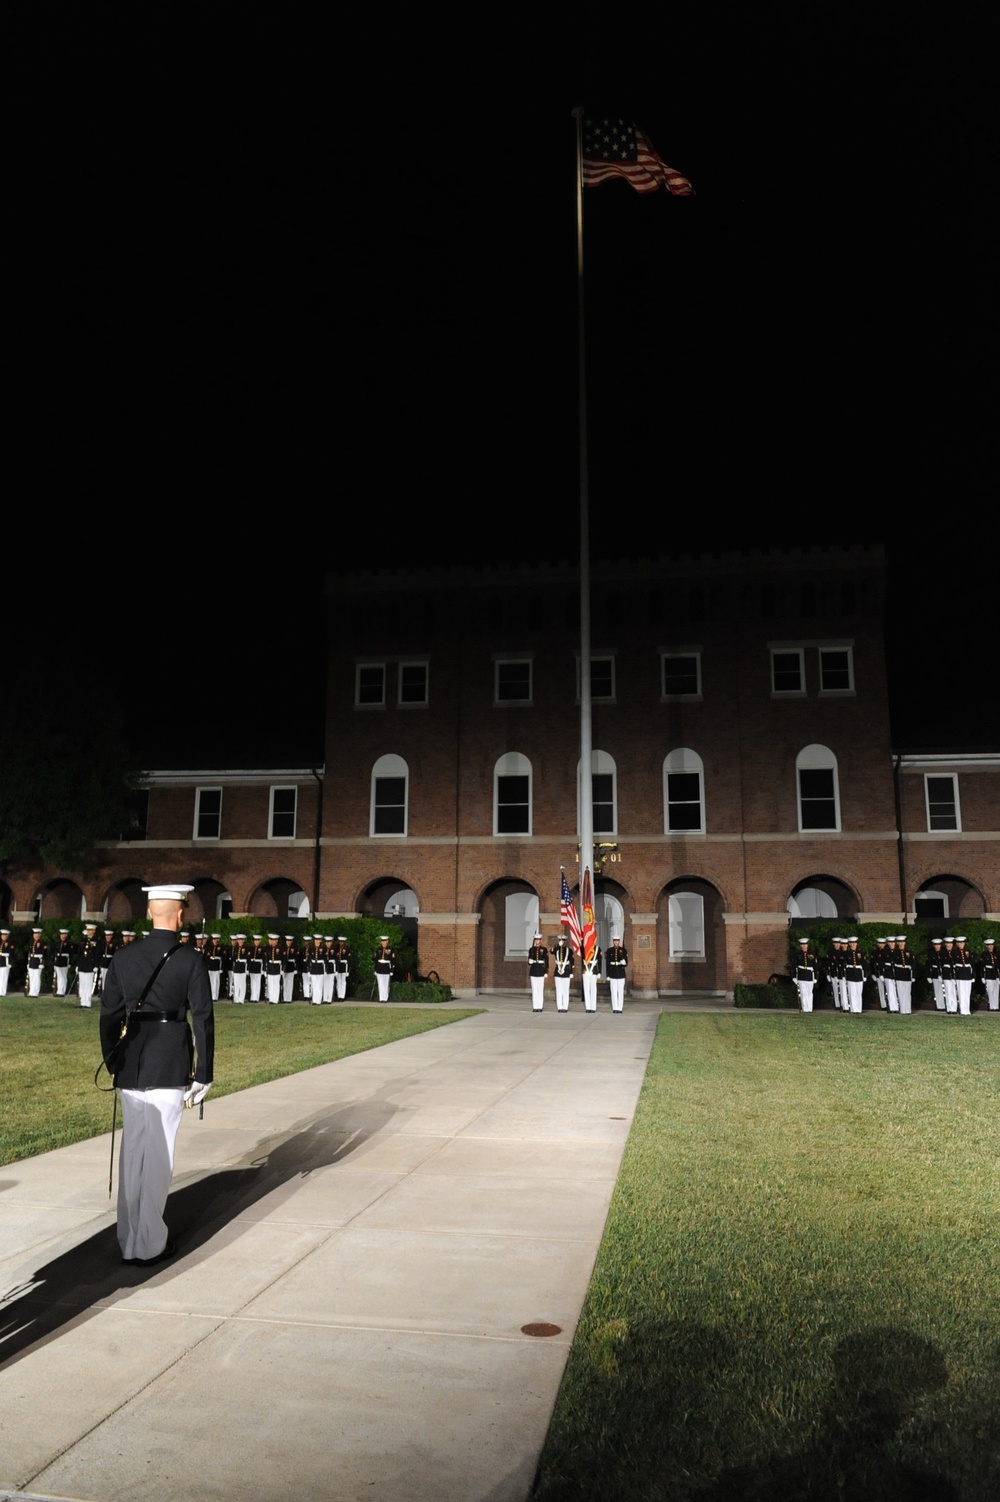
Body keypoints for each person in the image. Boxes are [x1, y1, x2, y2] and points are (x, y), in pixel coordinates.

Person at [99, 883, 213, 1266]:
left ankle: (129, 1238)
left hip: (131, 1061)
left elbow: (110, 1016)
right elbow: (203, 1018)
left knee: (134, 1152)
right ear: (180, 914)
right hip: (169, 1061)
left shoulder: (124, 956)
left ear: (149, 912)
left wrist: (113, 1058)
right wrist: (204, 1073)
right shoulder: (190, 959)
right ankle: (148, 1244)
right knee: (159, 1154)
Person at [77, 921, 101, 1008]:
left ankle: (87, 1002)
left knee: (88, 984)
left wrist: (96, 965)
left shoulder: (97, 941)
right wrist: (77, 965)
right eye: (87, 930)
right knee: (82, 983)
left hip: (90, 965)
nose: (88, 932)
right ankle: (82, 1001)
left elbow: (98, 954)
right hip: (82, 965)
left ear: (94, 931)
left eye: (90, 930)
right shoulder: (83, 940)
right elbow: (79, 953)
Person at [551, 930, 574, 1012]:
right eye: (560, 940)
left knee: (565, 990)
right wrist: (557, 945)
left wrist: (571, 972)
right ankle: (559, 1007)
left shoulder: (569, 950)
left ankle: (565, 1007)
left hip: (566, 971)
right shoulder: (556, 949)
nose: (562, 942)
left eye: (563, 940)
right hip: (558, 971)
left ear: (565, 941)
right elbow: (551, 951)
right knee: (559, 990)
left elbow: (572, 961)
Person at [793, 937, 817, 1013]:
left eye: (805, 945)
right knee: (803, 992)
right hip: (801, 975)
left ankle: (810, 1008)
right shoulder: (797, 955)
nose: (804, 946)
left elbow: (815, 967)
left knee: (810, 992)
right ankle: (805, 1008)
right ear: (800, 946)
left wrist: (815, 977)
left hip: (810, 975)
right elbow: (794, 966)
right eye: (802, 945)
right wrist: (793, 977)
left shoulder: (812, 954)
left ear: (807, 945)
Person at [527, 932, 548, 1012]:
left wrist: (546, 971)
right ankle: (535, 1006)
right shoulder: (531, 949)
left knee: (540, 989)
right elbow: (529, 961)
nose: (537, 941)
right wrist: (530, 961)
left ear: (541, 940)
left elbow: (546, 961)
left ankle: (540, 1006)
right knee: (534, 990)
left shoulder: (544, 949)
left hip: (541, 970)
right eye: (536, 940)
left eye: (538, 940)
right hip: (533, 971)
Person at [606, 935, 628, 1013]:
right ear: (613, 941)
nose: (616, 942)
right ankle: (615, 1008)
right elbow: (607, 964)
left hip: (620, 972)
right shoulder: (609, 950)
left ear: (619, 941)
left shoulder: (623, 950)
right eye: (614, 941)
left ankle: (620, 1008)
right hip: (612, 972)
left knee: (620, 991)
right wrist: (608, 975)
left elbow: (626, 963)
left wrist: (623, 962)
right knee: (613, 991)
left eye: (617, 941)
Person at [844, 937, 865, 1014]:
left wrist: (864, 975)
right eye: (851, 943)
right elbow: (844, 964)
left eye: (854, 943)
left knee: (858, 993)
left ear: (856, 944)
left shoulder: (860, 953)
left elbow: (864, 964)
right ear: (849, 944)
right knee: (852, 992)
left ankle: (859, 1009)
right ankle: (853, 1009)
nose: (853, 945)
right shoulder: (846, 953)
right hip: (850, 974)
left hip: (859, 974)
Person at [581, 943, 602, 1013]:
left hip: (594, 970)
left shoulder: (598, 949)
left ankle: (593, 1007)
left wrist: (599, 972)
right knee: (586, 989)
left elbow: (600, 961)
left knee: (593, 989)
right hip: (585, 970)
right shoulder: (583, 948)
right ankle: (588, 1007)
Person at [374, 935, 395, 1002]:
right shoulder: (378, 949)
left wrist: (392, 970)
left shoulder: (390, 949)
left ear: (387, 941)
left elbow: (393, 960)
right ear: (381, 942)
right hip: (379, 968)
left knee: (385, 984)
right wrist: (375, 969)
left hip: (386, 968)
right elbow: (376, 960)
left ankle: (385, 998)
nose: (384, 942)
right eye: (382, 941)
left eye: (385, 941)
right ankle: (381, 998)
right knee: (380, 984)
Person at [26, 928, 46, 996]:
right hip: (32, 961)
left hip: (38, 961)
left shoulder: (42, 942)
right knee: (31, 977)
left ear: (40, 934)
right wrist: (28, 962)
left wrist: (42, 963)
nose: (35, 935)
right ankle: (31, 991)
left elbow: (44, 953)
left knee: (36, 977)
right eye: (34, 934)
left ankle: (35, 992)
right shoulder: (31, 942)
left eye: (37, 934)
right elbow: (29, 953)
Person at [53, 928, 72, 996]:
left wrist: (69, 963)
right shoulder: (57, 942)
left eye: (64, 935)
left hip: (64, 960)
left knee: (63, 977)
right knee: (59, 977)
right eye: (62, 935)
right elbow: (55, 952)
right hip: (58, 960)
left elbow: (71, 954)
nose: (63, 936)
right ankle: (59, 991)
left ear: (66, 935)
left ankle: (62, 991)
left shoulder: (69, 943)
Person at [981, 938, 999, 1011]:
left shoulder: (997, 954)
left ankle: (996, 1006)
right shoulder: (984, 954)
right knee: (990, 991)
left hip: (996, 975)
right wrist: (982, 976)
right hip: (988, 974)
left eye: (991, 945)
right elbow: (982, 966)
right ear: (986, 946)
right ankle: (992, 1006)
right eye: (989, 945)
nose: (990, 947)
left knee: (996, 991)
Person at [264, 934, 282, 1004]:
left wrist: (282, 969)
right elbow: (266, 960)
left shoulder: (280, 948)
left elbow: (283, 959)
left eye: (274, 940)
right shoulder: (268, 949)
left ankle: (276, 999)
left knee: (276, 984)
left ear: (277, 941)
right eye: (272, 940)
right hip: (270, 968)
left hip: (277, 968)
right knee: (270, 984)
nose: (273, 942)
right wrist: (265, 970)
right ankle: (271, 999)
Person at [333, 935, 351, 1001]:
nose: (341, 943)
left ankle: (342, 996)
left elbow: (349, 960)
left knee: (343, 982)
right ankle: (339, 996)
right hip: (338, 967)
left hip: (344, 967)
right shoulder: (336, 949)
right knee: (338, 982)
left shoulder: (347, 949)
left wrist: (348, 970)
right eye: (340, 942)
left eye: (342, 942)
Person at [281, 935, 299, 1002]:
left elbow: (296, 959)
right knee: (285, 983)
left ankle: (289, 998)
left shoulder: (294, 949)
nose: (288, 942)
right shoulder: (283, 948)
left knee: (290, 983)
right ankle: (285, 998)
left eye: (290, 941)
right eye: (287, 941)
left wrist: (295, 968)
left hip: (291, 967)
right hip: (285, 968)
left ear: (292, 941)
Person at [0, 929, 12, 996]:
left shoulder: (9, 943)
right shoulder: (0, 943)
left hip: (5, 962)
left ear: (7, 936)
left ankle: (3, 992)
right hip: (0, 962)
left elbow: (11, 953)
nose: (3, 937)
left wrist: (10, 963)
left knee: (4, 977)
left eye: (4, 935)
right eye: (2, 935)